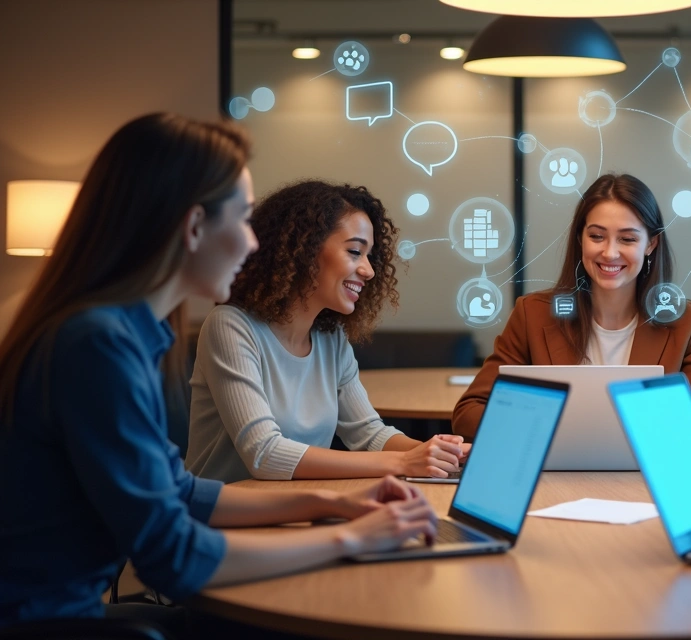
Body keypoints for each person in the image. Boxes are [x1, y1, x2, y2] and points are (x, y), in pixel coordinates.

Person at [0, 114, 437, 631]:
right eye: (242, 218)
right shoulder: (97, 344)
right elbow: (174, 558)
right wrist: (351, 538)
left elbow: (178, 491)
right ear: (193, 226)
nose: (254, 243)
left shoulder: (121, 332)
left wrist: (335, 504)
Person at [186, 180, 465, 483]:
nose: (369, 270)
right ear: (302, 249)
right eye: (356, 251)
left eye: (370, 256)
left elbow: (368, 433)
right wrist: (404, 462)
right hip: (218, 520)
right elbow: (265, 454)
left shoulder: (331, 339)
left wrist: (437, 454)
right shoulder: (230, 326)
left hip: (296, 509)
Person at [452, 173, 691, 441]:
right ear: (580, 238)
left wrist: (640, 422)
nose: (609, 252)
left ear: (651, 244)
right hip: (556, 480)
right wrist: (544, 423)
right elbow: (468, 414)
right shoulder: (532, 314)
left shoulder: (687, 321)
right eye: (597, 236)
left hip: (643, 479)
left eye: (627, 239)